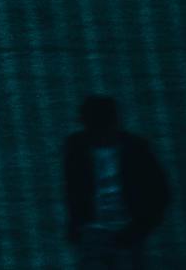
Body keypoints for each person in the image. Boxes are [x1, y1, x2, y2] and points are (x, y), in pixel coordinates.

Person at [62, 95, 169, 269]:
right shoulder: (77, 147)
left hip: (124, 230)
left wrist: (139, 228)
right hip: (95, 232)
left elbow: (160, 193)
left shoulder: (136, 149)